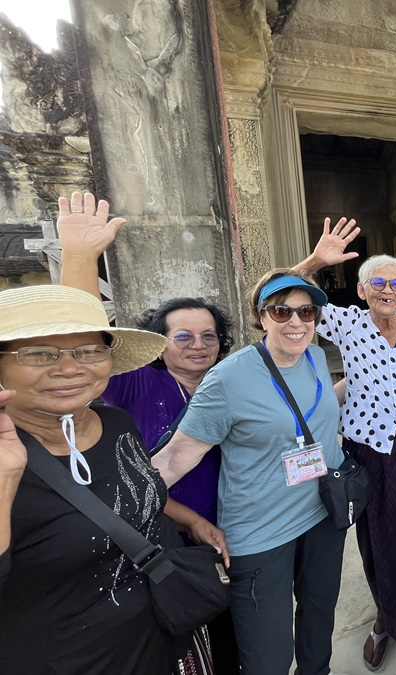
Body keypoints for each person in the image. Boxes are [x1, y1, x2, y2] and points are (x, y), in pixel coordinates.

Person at [57, 191, 240, 673]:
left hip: (231, 530)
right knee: (180, 632)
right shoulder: (136, 382)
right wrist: (81, 259)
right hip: (160, 535)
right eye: (183, 337)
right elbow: (84, 339)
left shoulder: (231, 383)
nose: (198, 346)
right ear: (161, 344)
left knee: (231, 631)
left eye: (209, 336)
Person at [0, 284, 214, 673]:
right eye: (37, 354)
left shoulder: (115, 424)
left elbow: (136, 487)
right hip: (70, 659)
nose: (69, 367)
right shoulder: (6, 461)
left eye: (89, 351)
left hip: (160, 635)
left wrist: (192, 520)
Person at [152, 270, 347, 675]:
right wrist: (109, 505)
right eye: (281, 311)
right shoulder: (228, 378)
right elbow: (175, 458)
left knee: (318, 619)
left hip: (323, 515)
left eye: (306, 311)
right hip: (261, 533)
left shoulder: (314, 356)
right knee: (268, 654)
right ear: (261, 317)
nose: (296, 322)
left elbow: (317, 407)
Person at [294, 220, 396, 671]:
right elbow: (284, 298)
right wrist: (314, 263)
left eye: (395, 283)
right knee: (375, 537)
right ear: (361, 291)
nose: (387, 290)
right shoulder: (347, 323)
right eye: (378, 283)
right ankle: (384, 618)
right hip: (366, 451)